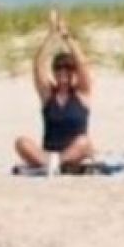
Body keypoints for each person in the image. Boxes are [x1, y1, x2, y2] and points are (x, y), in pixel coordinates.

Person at [14, 10, 96, 173]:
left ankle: (56, 164)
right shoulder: (48, 95)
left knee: (84, 143)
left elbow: (83, 65)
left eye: (67, 72)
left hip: (74, 152)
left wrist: (67, 37)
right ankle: (54, 164)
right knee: (21, 142)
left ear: (73, 74)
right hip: (49, 154)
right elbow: (38, 65)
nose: (63, 76)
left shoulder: (81, 94)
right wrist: (51, 35)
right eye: (59, 72)